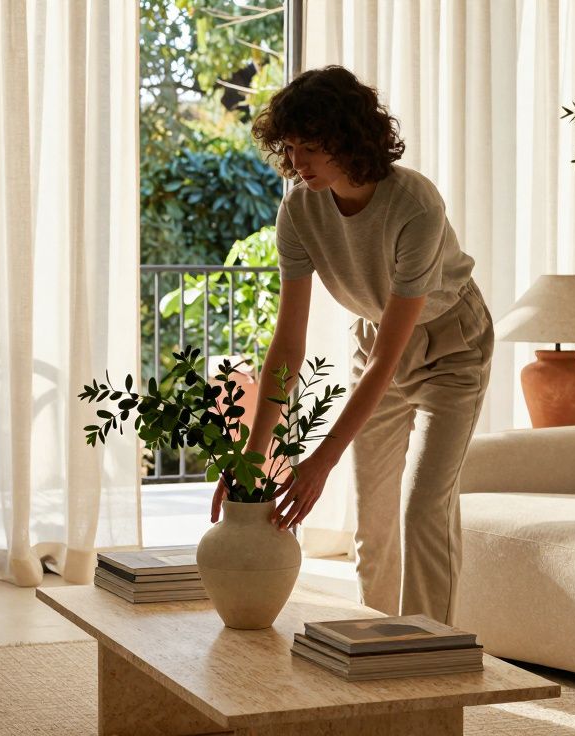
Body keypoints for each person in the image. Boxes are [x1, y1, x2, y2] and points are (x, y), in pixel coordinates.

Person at [208, 65, 494, 623]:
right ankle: (373, 642)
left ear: (350, 139)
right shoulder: (298, 210)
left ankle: (426, 650)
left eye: (311, 148)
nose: (296, 164)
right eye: (289, 148)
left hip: (450, 348)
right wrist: (251, 454)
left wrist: (322, 460)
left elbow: (394, 353)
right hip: (375, 342)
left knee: (423, 508)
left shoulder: (415, 205)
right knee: (373, 518)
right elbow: (287, 344)